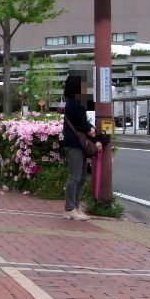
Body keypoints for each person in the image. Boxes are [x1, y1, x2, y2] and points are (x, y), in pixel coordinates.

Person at [62, 74, 101, 221]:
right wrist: (95, 137)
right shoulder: (73, 104)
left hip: (79, 145)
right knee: (75, 176)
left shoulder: (75, 102)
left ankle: (76, 206)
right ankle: (70, 208)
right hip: (74, 145)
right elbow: (83, 125)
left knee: (82, 177)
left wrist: (92, 131)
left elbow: (84, 124)